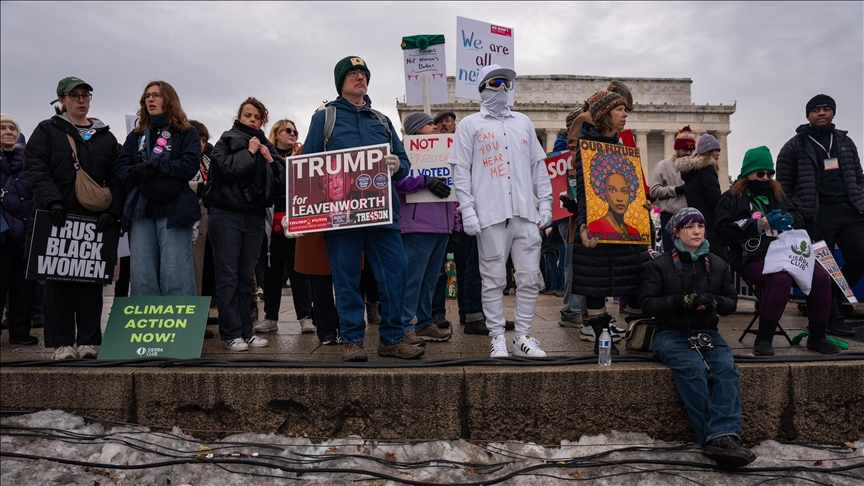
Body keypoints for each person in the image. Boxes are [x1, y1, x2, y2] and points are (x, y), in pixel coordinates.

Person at [299, 55, 421, 362]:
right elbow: (307, 168)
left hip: (383, 214)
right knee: (346, 277)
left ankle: (392, 339)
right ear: (340, 82)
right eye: (353, 73)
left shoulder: (382, 120)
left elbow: (404, 164)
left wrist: (396, 165)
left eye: (363, 73)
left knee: (395, 274)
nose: (360, 77)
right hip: (341, 216)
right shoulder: (324, 118)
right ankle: (352, 339)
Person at [640, 207, 756, 469]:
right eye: (689, 226)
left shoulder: (717, 263)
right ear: (677, 232)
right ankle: (718, 440)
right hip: (670, 333)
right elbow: (647, 304)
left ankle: (722, 437)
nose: (696, 231)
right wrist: (683, 302)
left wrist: (714, 302)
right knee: (693, 370)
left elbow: (731, 303)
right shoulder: (659, 264)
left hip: (707, 331)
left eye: (700, 226)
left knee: (726, 370)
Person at [450, 64, 554, 358]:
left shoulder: (523, 123)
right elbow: (461, 171)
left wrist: (545, 202)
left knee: (529, 276)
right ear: (483, 87)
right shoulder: (470, 125)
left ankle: (523, 335)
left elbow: (538, 166)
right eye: (496, 82)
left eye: (507, 83)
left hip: (524, 212)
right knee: (493, 278)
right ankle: (497, 335)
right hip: (491, 213)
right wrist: (467, 210)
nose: (502, 88)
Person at [24, 76, 124, 359]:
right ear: (62, 101)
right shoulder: (47, 130)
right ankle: (62, 344)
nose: (81, 100)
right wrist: (52, 201)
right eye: (75, 96)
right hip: (57, 215)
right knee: (57, 283)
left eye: (85, 95)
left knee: (91, 284)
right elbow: (35, 168)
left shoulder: (105, 136)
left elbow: (117, 177)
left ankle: (90, 341)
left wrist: (112, 210)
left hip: (93, 220)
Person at [715, 146, 839, 355]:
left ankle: (818, 337)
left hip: (785, 253)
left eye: (769, 174)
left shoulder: (777, 193)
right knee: (780, 279)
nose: (765, 178)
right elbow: (721, 231)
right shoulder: (731, 198)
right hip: (751, 256)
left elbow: (798, 215)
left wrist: (792, 220)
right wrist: (758, 225)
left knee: (821, 277)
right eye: (760, 173)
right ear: (747, 174)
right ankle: (764, 338)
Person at [565, 90, 651, 355]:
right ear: (604, 116)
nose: (625, 114)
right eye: (619, 110)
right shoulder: (585, 149)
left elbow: (634, 188)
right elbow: (584, 193)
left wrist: (641, 206)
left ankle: (638, 333)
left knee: (637, 278)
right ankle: (602, 337)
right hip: (596, 227)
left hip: (627, 229)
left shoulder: (625, 148)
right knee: (596, 283)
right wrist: (582, 226)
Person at [776, 94, 862, 337]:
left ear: (833, 113)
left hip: (849, 209)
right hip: (816, 213)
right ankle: (833, 316)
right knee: (825, 268)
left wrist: (860, 199)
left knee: (860, 254)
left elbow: (858, 175)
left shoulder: (845, 142)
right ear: (808, 115)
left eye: (826, 109)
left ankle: (833, 297)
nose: (821, 113)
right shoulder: (794, 146)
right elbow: (783, 186)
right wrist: (795, 210)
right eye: (816, 110)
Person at [206, 97, 285, 351]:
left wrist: (270, 160)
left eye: (257, 117)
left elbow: (283, 182)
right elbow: (224, 169)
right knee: (227, 275)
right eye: (248, 115)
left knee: (245, 276)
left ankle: (246, 330)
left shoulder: (266, 144)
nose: (252, 120)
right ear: (239, 117)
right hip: (226, 214)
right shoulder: (227, 139)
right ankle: (230, 333)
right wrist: (249, 153)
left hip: (254, 216)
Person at [116, 81, 201, 297]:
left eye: (156, 95)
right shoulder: (135, 136)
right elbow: (122, 169)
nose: (150, 99)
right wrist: (139, 171)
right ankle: (146, 329)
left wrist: (155, 165)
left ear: (169, 100)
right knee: (142, 275)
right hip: (141, 210)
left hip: (173, 209)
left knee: (176, 274)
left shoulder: (186, 132)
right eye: (147, 96)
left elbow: (189, 167)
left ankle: (180, 328)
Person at [394, 112, 454, 343]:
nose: (436, 127)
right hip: (417, 225)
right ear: (417, 130)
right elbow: (397, 180)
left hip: (443, 224)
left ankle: (424, 323)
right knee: (412, 279)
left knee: (429, 281)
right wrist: (424, 180)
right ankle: (404, 325)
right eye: (430, 124)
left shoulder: (444, 150)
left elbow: (453, 186)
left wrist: (455, 223)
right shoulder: (403, 150)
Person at [254, 119, 314, 335]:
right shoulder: (262, 156)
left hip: (296, 219)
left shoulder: (301, 157)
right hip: (270, 221)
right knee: (271, 271)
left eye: (295, 131)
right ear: (276, 133)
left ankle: (305, 317)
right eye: (288, 130)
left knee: (299, 271)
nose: (293, 134)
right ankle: (270, 317)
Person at [1, 113, 37, 345]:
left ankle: (20, 332)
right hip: (2, 233)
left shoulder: (29, 161)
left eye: (12, 128)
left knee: (24, 286)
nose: (9, 132)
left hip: (25, 232)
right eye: (3, 128)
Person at [675, 127, 726, 261]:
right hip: (710, 221)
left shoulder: (690, 172)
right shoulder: (707, 169)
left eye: (719, 150)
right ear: (707, 152)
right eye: (715, 150)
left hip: (697, 218)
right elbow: (713, 196)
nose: (718, 153)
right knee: (717, 258)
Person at [649, 126, 691, 252]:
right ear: (677, 148)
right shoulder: (663, 166)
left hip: (690, 217)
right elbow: (654, 191)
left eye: (691, 150)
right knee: (672, 255)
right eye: (685, 149)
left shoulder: (692, 167)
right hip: (670, 216)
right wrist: (676, 190)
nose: (688, 153)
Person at [585, 152, 642, 240]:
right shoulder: (594, 228)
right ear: (603, 192)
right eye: (612, 190)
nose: (619, 198)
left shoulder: (635, 233)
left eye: (624, 191)